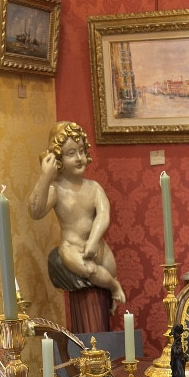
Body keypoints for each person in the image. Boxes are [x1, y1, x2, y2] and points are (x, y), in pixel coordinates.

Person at [28, 121, 126, 313]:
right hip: (71, 247)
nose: (79, 158)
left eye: (81, 150)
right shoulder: (56, 190)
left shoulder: (94, 187)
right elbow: (35, 211)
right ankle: (114, 286)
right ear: (58, 159)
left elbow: (103, 215)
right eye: (71, 154)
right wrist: (45, 177)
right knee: (87, 269)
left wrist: (93, 240)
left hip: (97, 246)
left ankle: (112, 287)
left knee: (109, 269)